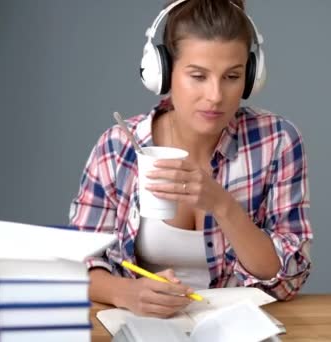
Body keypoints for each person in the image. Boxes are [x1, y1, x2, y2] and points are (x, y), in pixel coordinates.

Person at [69, 0, 313, 319]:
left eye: (231, 76)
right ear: (165, 72)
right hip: (145, 328)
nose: (215, 96)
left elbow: (288, 278)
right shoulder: (118, 148)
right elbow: (76, 262)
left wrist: (223, 205)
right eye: (198, 76)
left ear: (251, 77)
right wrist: (127, 293)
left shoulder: (277, 141)